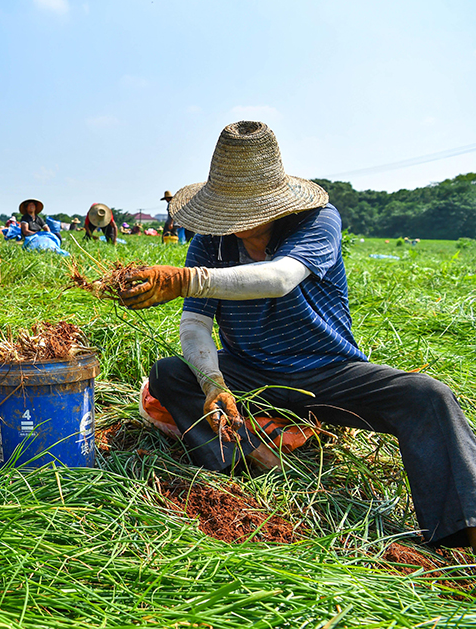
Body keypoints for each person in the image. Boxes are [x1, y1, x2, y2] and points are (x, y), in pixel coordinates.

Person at [123, 120, 476, 552]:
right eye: (229, 211)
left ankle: (461, 530)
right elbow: (196, 324)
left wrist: (186, 279)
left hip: (327, 372)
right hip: (250, 371)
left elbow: (279, 278)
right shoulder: (211, 243)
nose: (237, 222)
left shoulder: (316, 221)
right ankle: (248, 458)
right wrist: (213, 383)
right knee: (169, 374)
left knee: (428, 396)